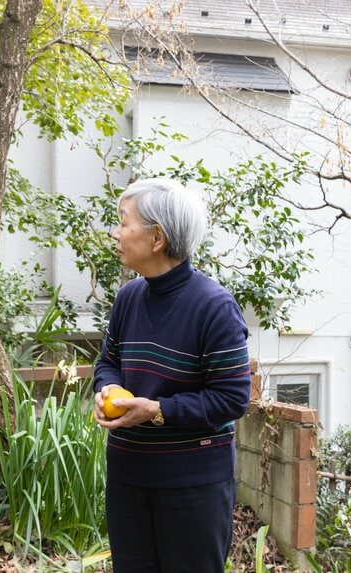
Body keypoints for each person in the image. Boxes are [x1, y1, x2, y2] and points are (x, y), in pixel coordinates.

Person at [93, 177, 252, 573]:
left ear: (157, 238)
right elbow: (107, 360)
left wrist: (157, 410)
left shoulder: (214, 306)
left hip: (192, 484)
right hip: (129, 474)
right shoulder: (129, 297)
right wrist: (107, 386)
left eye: (123, 222)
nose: (115, 232)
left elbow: (232, 400)